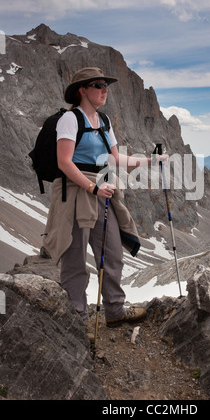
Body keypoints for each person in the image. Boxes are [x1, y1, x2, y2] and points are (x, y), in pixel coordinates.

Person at [43, 67, 166, 328]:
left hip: (102, 188)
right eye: (98, 85)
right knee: (75, 257)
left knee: (111, 254)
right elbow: (64, 163)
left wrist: (149, 161)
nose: (104, 90)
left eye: (105, 85)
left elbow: (114, 158)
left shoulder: (104, 121)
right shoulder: (70, 120)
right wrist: (93, 187)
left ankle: (115, 310)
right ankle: (77, 321)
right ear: (82, 90)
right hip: (76, 192)